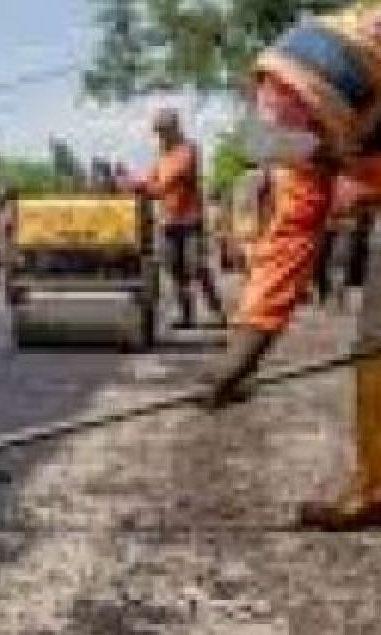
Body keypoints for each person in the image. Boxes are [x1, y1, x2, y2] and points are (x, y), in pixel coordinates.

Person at [201, 4, 381, 530]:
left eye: (326, 149)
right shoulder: (288, 105)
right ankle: (375, 487)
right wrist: (246, 349)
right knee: (375, 341)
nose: (324, 165)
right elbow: (292, 233)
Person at [131, 109, 228, 329]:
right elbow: (153, 179)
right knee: (173, 269)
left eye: (163, 131)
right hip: (168, 221)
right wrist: (137, 185)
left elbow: (171, 179)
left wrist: (145, 187)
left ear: (174, 129)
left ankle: (216, 312)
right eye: (158, 133)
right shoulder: (161, 155)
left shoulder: (189, 150)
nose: (160, 136)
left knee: (196, 266)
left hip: (190, 220)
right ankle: (186, 315)